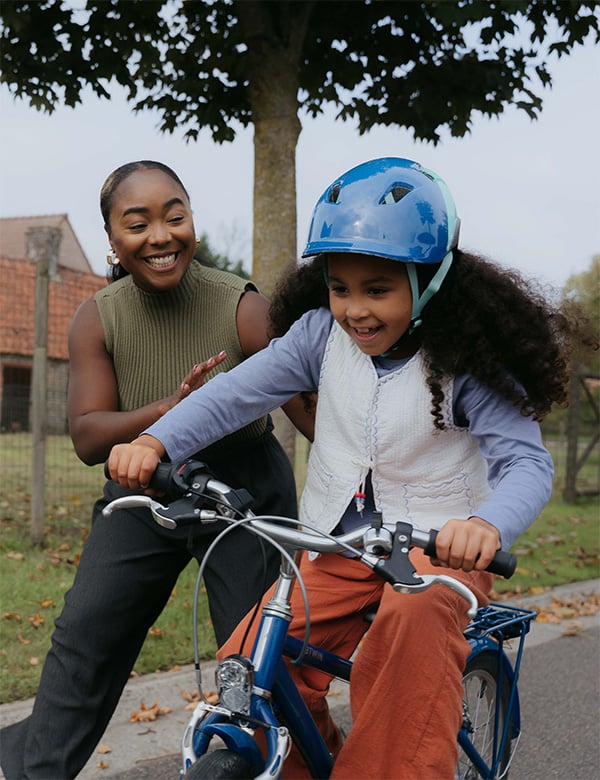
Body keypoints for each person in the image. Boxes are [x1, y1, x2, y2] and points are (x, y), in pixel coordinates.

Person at [106, 157, 583, 779]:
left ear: (432, 281)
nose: (355, 310)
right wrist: (156, 440)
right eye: (340, 288)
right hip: (337, 543)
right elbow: (235, 394)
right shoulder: (317, 337)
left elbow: (526, 463)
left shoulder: (466, 362)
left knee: (408, 637)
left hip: (439, 550)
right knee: (251, 663)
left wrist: (486, 526)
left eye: (377, 290)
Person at [0, 160, 314, 780]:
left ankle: (290, 762)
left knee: (255, 657)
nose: (161, 236)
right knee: (86, 635)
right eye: (138, 223)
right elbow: (88, 436)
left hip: (245, 489)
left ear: (192, 220)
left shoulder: (242, 305)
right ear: (112, 240)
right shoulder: (98, 316)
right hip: (145, 482)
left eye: (175, 216)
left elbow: (312, 414)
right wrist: (169, 413)